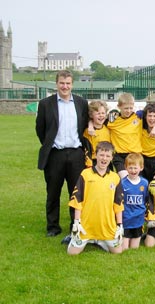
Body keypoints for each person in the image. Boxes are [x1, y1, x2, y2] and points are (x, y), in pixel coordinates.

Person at [35, 69, 89, 239]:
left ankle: (76, 224)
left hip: (76, 154)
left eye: (68, 83)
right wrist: (50, 144)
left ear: (72, 84)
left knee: (76, 192)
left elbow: (85, 126)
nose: (65, 86)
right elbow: (40, 130)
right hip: (55, 154)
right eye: (62, 83)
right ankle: (53, 226)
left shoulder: (81, 103)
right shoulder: (45, 104)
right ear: (56, 84)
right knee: (53, 192)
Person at [67, 141, 124, 255]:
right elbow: (77, 200)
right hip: (86, 225)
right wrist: (77, 222)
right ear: (95, 155)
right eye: (101, 155)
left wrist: (119, 225)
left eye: (108, 156)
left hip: (107, 226)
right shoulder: (85, 174)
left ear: (112, 158)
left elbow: (118, 204)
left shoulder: (115, 177)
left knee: (118, 251)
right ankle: (80, 239)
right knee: (72, 253)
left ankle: (100, 241)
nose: (104, 158)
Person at [107, 93, 143, 178]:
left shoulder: (138, 117)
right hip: (119, 156)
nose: (128, 110)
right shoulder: (113, 120)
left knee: (135, 181)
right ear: (119, 106)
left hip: (135, 155)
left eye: (131, 108)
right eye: (126, 108)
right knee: (125, 179)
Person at [121, 153, 150, 250]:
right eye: (130, 168)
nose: (133, 171)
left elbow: (146, 199)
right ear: (126, 168)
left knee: (134, 248)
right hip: (126, 219)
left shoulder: (144, 183)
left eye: (135, 168)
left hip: (138, 219)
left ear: (141, 168)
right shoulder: (122, 183)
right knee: (124, 248)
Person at [83, 100, 110, 168]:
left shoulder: (108, 128)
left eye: (103, 113)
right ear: (91, 115)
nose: (101, 116)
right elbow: (86, 149)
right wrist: (89, 165)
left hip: (107, 162)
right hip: (93, 162)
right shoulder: (88, 132)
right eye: (98, 113)